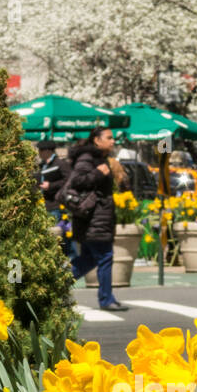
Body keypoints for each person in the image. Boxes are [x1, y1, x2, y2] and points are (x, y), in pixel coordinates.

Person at [65, 126, 127, 313]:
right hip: (94, 219)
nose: (113, 141)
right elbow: (77, 181)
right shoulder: (88, 159)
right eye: (109, 137)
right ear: (97, 140)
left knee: (89, 259)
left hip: (97, 218)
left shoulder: (99, 159)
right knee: (105, 257)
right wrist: (98, 174)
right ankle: (106, 299)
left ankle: (57, 283)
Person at [38, 141, 70, 216]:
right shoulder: (42, 165)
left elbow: (69, 180)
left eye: (41, 150)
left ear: (48, 151)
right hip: (43, 205)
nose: (39, 152)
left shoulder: (60, 164)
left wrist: (51, 185)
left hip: (56, 205)